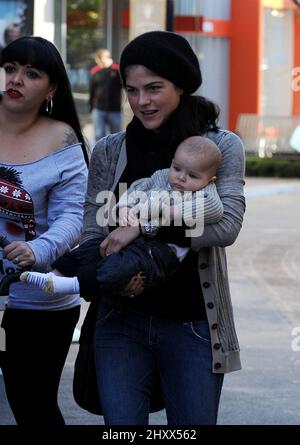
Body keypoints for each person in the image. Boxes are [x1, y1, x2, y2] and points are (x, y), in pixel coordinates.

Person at [75, 30, 245, 425]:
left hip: (193, 324)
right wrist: (116, 272)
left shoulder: (220, 146)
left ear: (181, 85)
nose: (141, 102)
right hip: (120, 321)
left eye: (154, 88)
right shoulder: (109, 149)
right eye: (132, 90)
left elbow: (227, 226)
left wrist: (143, 228)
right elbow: (93, 226)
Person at [0, 36, 89, 426]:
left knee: (31, 406)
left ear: (51, 89)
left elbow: (73, 218)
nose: (16, 79)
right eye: (9, 68)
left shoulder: (62, 138)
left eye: (31, 73)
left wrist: (39, 250)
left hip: (39, 300)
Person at [20, 136, 223, 298]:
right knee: (93, 247)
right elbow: (136, 189)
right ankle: (56, 274)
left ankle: (72, 285)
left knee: (120, 266)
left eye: (193, 176)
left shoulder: (203, 193)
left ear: (209, 179)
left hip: (160, 253)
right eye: (177, 168)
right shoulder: (162, 177)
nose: (181, 177)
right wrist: (125, 208)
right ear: (172, 163)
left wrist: (166, 213)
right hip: (135, 239)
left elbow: (214, 209)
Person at [89, 48, 122, 141]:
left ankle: (115, 156)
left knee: (116, 138)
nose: (96, 62)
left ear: (102, 58)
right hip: (98, 109)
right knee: (99, 137)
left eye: (97, 59)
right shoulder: (95, 71)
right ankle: (100, 155)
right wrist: (91, 108)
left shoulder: (117, 69)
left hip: (114, 109)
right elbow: (92, 91)